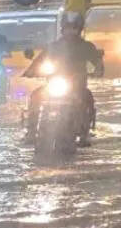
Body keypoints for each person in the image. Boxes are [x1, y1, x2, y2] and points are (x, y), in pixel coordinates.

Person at [24, 11, 104, 142]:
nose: (71, 31)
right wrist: (31, 70)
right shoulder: (53, 47)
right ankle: (31, 131)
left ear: (79, 30)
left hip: (77, 86)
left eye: (74, 28)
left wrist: (99, 71)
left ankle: (84, 134)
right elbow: (39, 60)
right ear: (63, 29)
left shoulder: (87, 47)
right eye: (68, 28)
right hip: (54, 84)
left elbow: (97, 62)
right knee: (35, 96)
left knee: (87, 98)